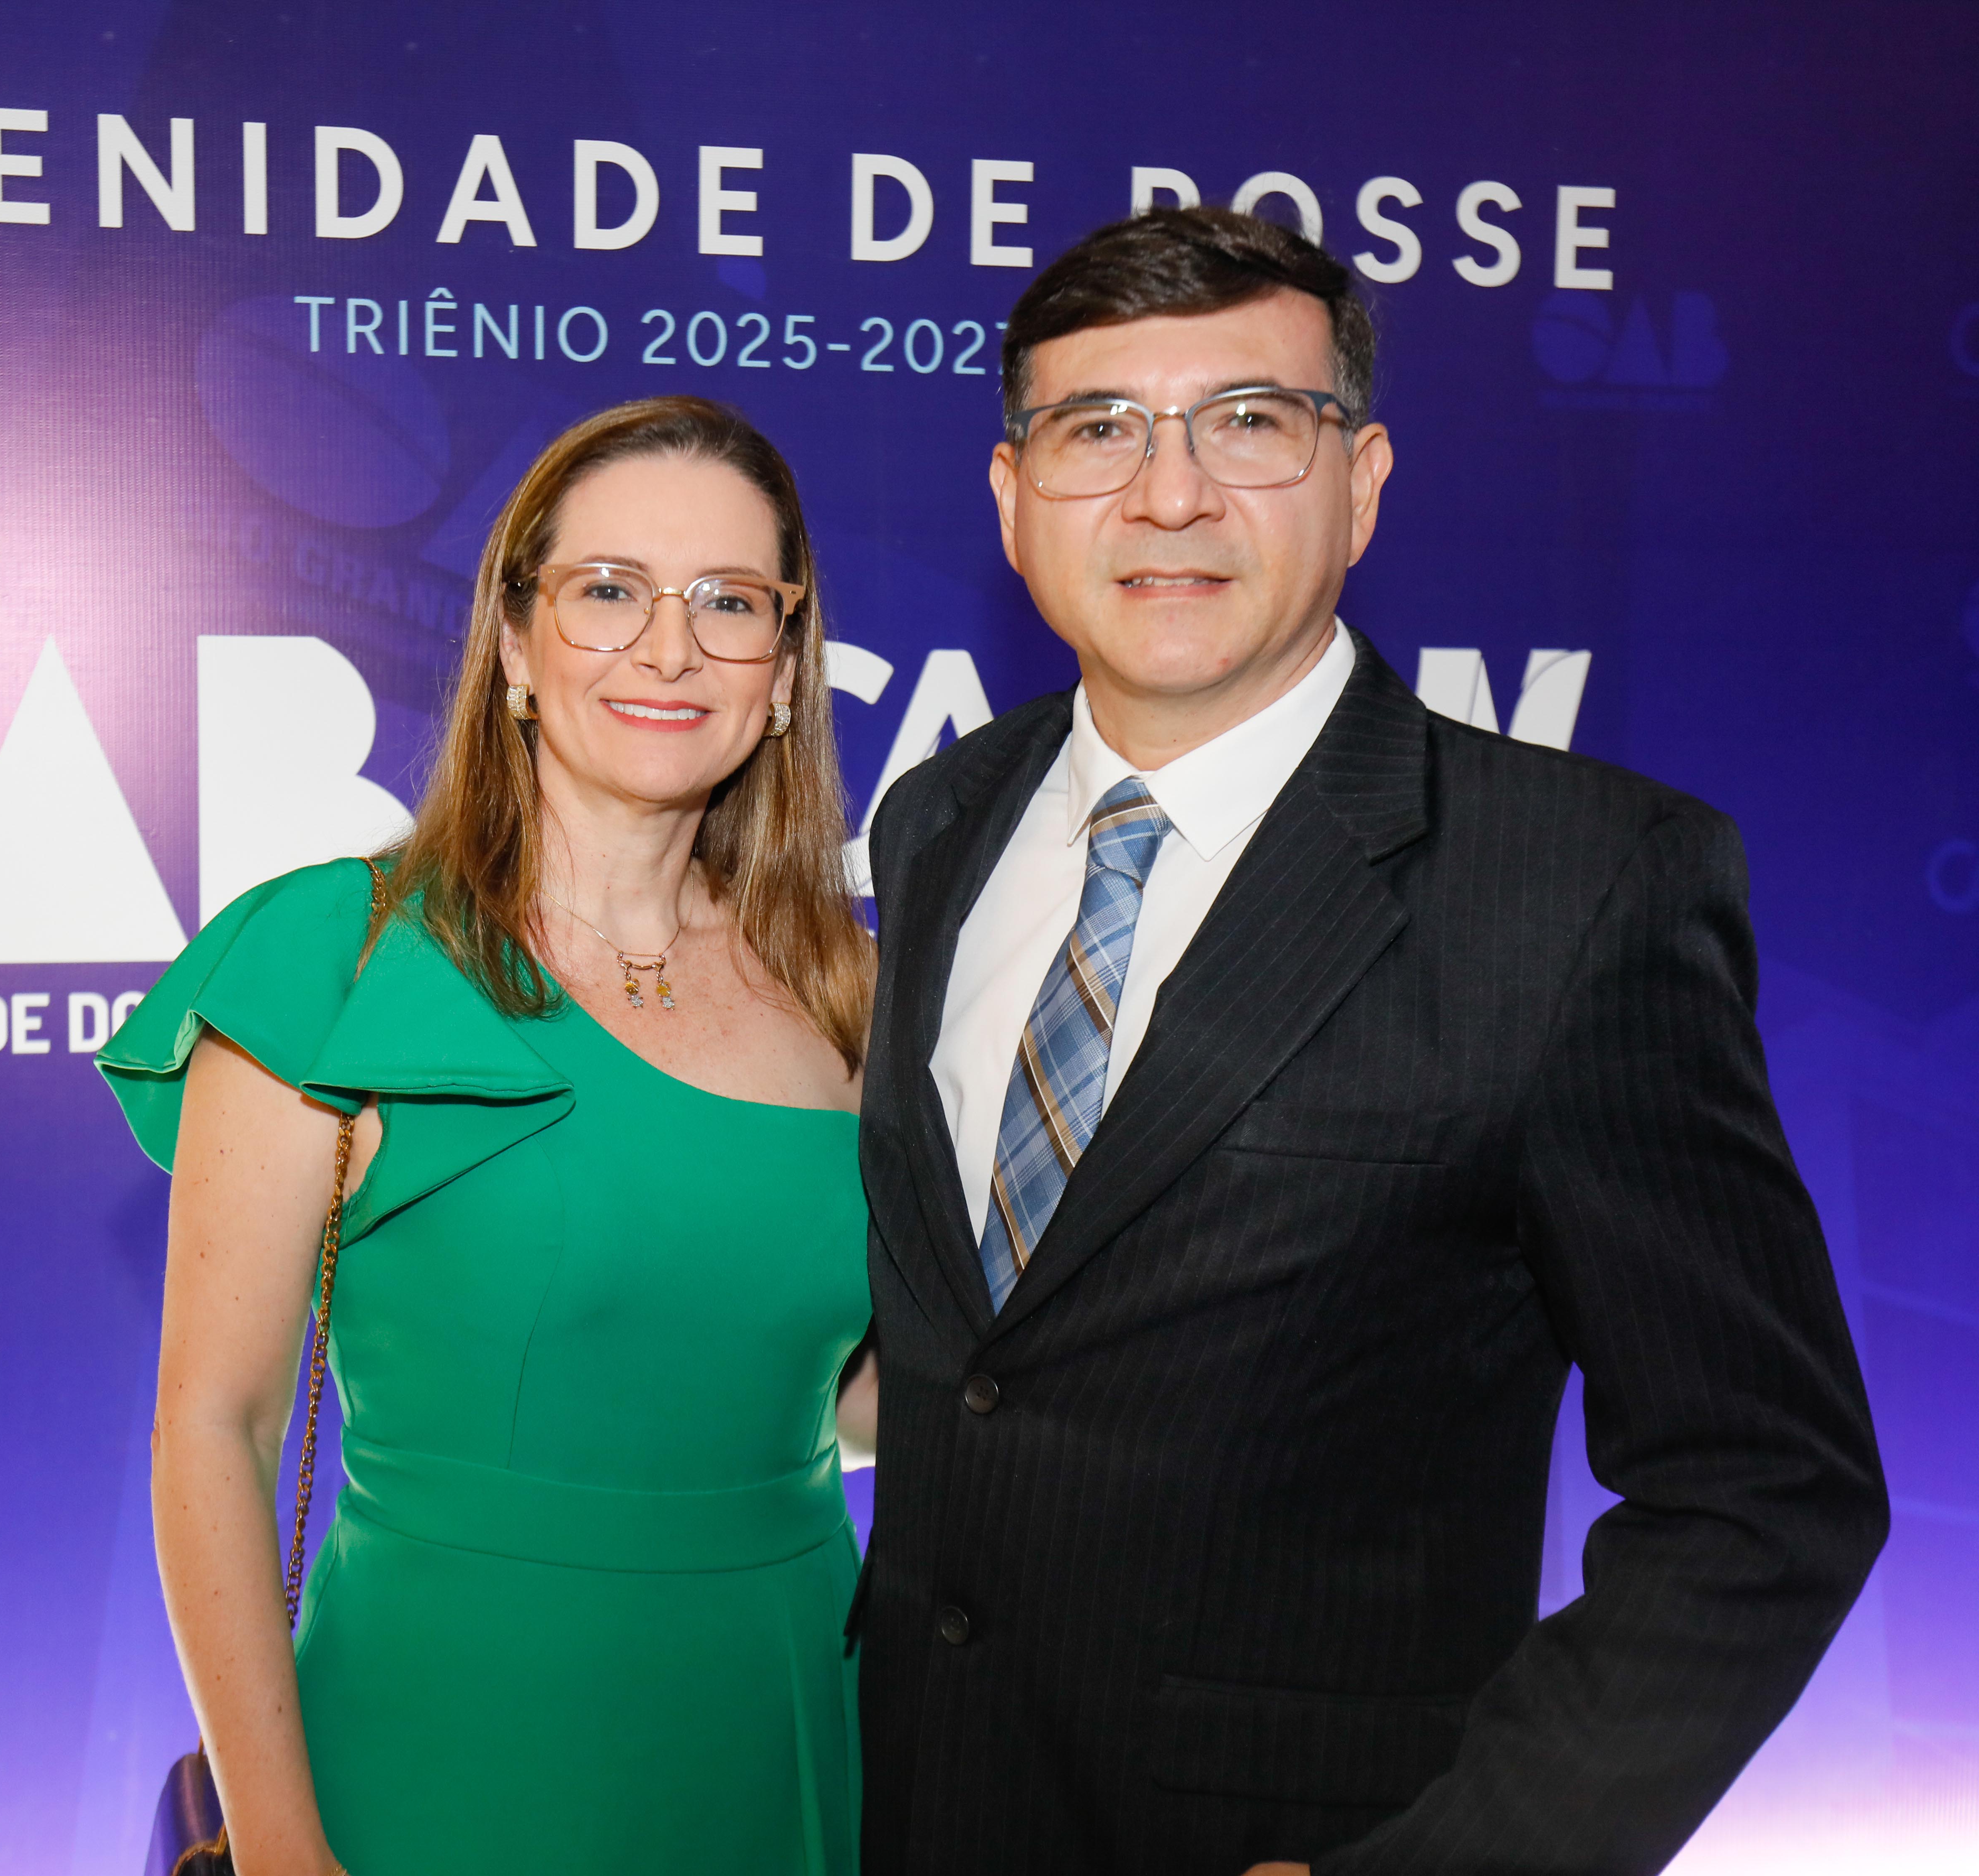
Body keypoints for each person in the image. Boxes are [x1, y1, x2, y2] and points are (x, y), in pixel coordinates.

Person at [852, 206, 1887, 1876]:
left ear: (1363, 483)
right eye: (1098, 429)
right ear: (1013, 496)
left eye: (1250, 422)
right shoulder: (938, 820)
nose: (1169, 493)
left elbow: (1766, 1492)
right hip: (900, 1809)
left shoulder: (1581, 885)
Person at [98, 396, 879, 1876]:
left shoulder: (855, 994)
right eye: (609, 591)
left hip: (785, 1717)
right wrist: (280, 1845)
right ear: (516, 645)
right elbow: (215, 1429)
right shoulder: (336, 958)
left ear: (783, 669)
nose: (670, 649)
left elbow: (832, 1394)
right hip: (449, 1735)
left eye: (730, 602)